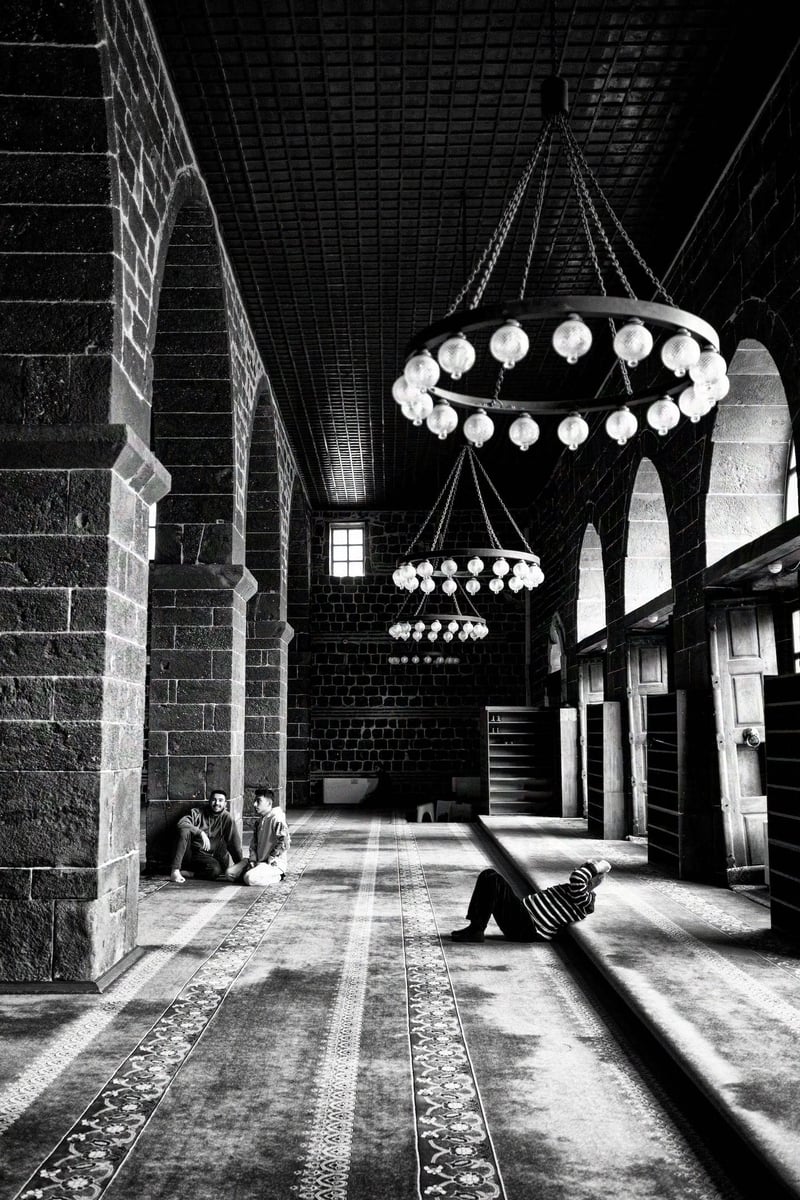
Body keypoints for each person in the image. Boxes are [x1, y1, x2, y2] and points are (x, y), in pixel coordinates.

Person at [451, 858, 611, 943]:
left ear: (590, 881)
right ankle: (475, 928)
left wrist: (598, 867)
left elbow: (577, 877)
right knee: (490, 876)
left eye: (584, 870)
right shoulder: (574, 891)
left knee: (491, 877)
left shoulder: (584, 899)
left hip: (527, 928)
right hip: (521, 919)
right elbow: (577, 876)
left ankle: (476, 930)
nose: (576, 870)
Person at [169, 789, 245, 883]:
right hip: (190, 854)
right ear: (209, 801)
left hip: (207, 857)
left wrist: (240, 866)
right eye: (214, 800)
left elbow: (234, 843)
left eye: (220, 800)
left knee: (215, 871)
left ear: (225, 804)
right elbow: (181, 823)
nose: (217, 803)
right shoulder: (197, 812)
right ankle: (175, 871)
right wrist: (200, 832)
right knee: (184, 831)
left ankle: (191, 874)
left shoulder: (227, 818)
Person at [224, 786, 290, 886]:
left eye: (258, 801)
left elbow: (284, 843)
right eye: (255, 801)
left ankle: (278, 876)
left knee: (249, 878)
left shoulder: (277, 819)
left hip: (272, 864)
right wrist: (253, 860)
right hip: (257, 861)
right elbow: (253, 843)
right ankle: (254, 871)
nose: (254, 804)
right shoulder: (259, 821)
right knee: (229, 874)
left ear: (269, 803)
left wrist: (270, 859)